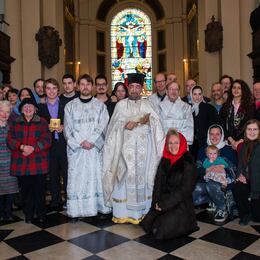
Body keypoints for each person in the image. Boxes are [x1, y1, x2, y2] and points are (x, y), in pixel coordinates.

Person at [102, 73, 165, 224]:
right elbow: (111, 129)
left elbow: (158, 126)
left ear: (141, 89)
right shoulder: (120, 105)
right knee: (124, 179)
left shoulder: (148, 104)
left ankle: (143, 213)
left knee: (143, 180)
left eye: (137, 87)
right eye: (132, 87)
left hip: (145, 152)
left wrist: (147, 121)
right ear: (128, 88)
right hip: (124, 152)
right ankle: (122, 214)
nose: (134, 90)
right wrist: (124, 124)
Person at [64, 74, 111, 221]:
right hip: (77, 151)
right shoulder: (70, 106)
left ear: (92, 87)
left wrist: (91, 141)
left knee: (95, 177)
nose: (85, 87)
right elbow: (67, 128)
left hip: (94, 150)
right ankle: (77, 210)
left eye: (88, 84)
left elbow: (104, 126)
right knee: (77, 179)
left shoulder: (100, 106)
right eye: (82, 84)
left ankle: (97, 207)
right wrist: (80, 143)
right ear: (78, 86)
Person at [140, 129, 198, 239]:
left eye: (176, 143)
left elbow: (184, 190)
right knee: (147, 225)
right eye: (170, 143)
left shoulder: (188, 161)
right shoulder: (165, 159)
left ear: (182, 144)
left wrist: (165, 204)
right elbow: (158, 185)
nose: (173, 146)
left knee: (160, 231)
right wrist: (156, 204)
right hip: (164, 201)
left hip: (181, 205)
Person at [7, 98, 51, 223]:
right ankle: (28, 215)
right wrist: (22, 147)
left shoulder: (42, 122)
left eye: (30, 106)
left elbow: (47, 139)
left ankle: (41, 214)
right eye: (25, 106)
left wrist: (33, 148)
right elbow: (10, 140)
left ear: (35, 109)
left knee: (39, 190)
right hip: (22, 163)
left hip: (38, 162)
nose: (27, 108)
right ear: (21, 109)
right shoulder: (15, 123)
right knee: (25, 192)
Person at [193, 124, 237, 223]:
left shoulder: (228, 150)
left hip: (223, 184)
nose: (214, 137)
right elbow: (197, 169)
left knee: (211, 185)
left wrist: (222, 168)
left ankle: (222, 208)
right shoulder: (202, 150)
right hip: (206, 180)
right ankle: (213, 200)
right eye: (212, 134)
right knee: (195, 190)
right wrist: (206, 170)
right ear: (208, 135)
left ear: (222, 135)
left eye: (218, 134)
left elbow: (234, 171)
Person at [38, 78, 67, 211]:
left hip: (63, 143)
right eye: (48, 88)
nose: (51, 91)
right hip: (49, 145)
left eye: (54, 88)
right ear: (45, 90)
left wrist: (64, 126)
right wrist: (46, 129)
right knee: (53, 173)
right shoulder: (40, 107)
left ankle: (68, 199)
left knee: (67, 173)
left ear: (58, 90)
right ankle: (55, 201)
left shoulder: (65, 104)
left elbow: (72, 122)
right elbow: (37, 128)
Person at [233, 119, 260, 225]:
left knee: (257, 218)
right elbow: (240, 164)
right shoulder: (243, 145)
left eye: (255, 129)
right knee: (238, 187)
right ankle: (245, 214)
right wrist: (240, 175)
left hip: (258, 182)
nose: (252, 132)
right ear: (246, 131)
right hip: (248, 179)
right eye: (249, 129)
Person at [219, 79, 255, 146]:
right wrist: (231, 141)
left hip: (245, 142)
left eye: (239, 88)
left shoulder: (250, 107)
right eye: (234, 87)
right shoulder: (225, 106)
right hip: (228, 142)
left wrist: (239, 141)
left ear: (243, 90)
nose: (236, 90)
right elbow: (222, 124)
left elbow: (251, 125)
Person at [0, 101, 18, 222]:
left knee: (11, 189)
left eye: (7, 112)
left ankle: (8, 212)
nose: (5, 114)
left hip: (11, 161)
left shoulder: (13, 126)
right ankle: (1, 213)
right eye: (2, 111)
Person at [159, 81, 193, 146]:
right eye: (171, 89)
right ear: (166, 91)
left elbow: (189, 127)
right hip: (164, 144)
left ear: (179, 92)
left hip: (181, 143)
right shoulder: (159, 107)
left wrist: (179, 142)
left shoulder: (186, 107)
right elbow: (158, 128)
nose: (174, 92)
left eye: (176, 89)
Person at [190, 85, 218, 158]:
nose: (197, 96)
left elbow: (214, 125)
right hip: (192, 143)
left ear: (202, 95)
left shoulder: (209, 108)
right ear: (191, 95)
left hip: (205, 142)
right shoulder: (188, 109)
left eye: (199, 94)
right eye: (195, 94)